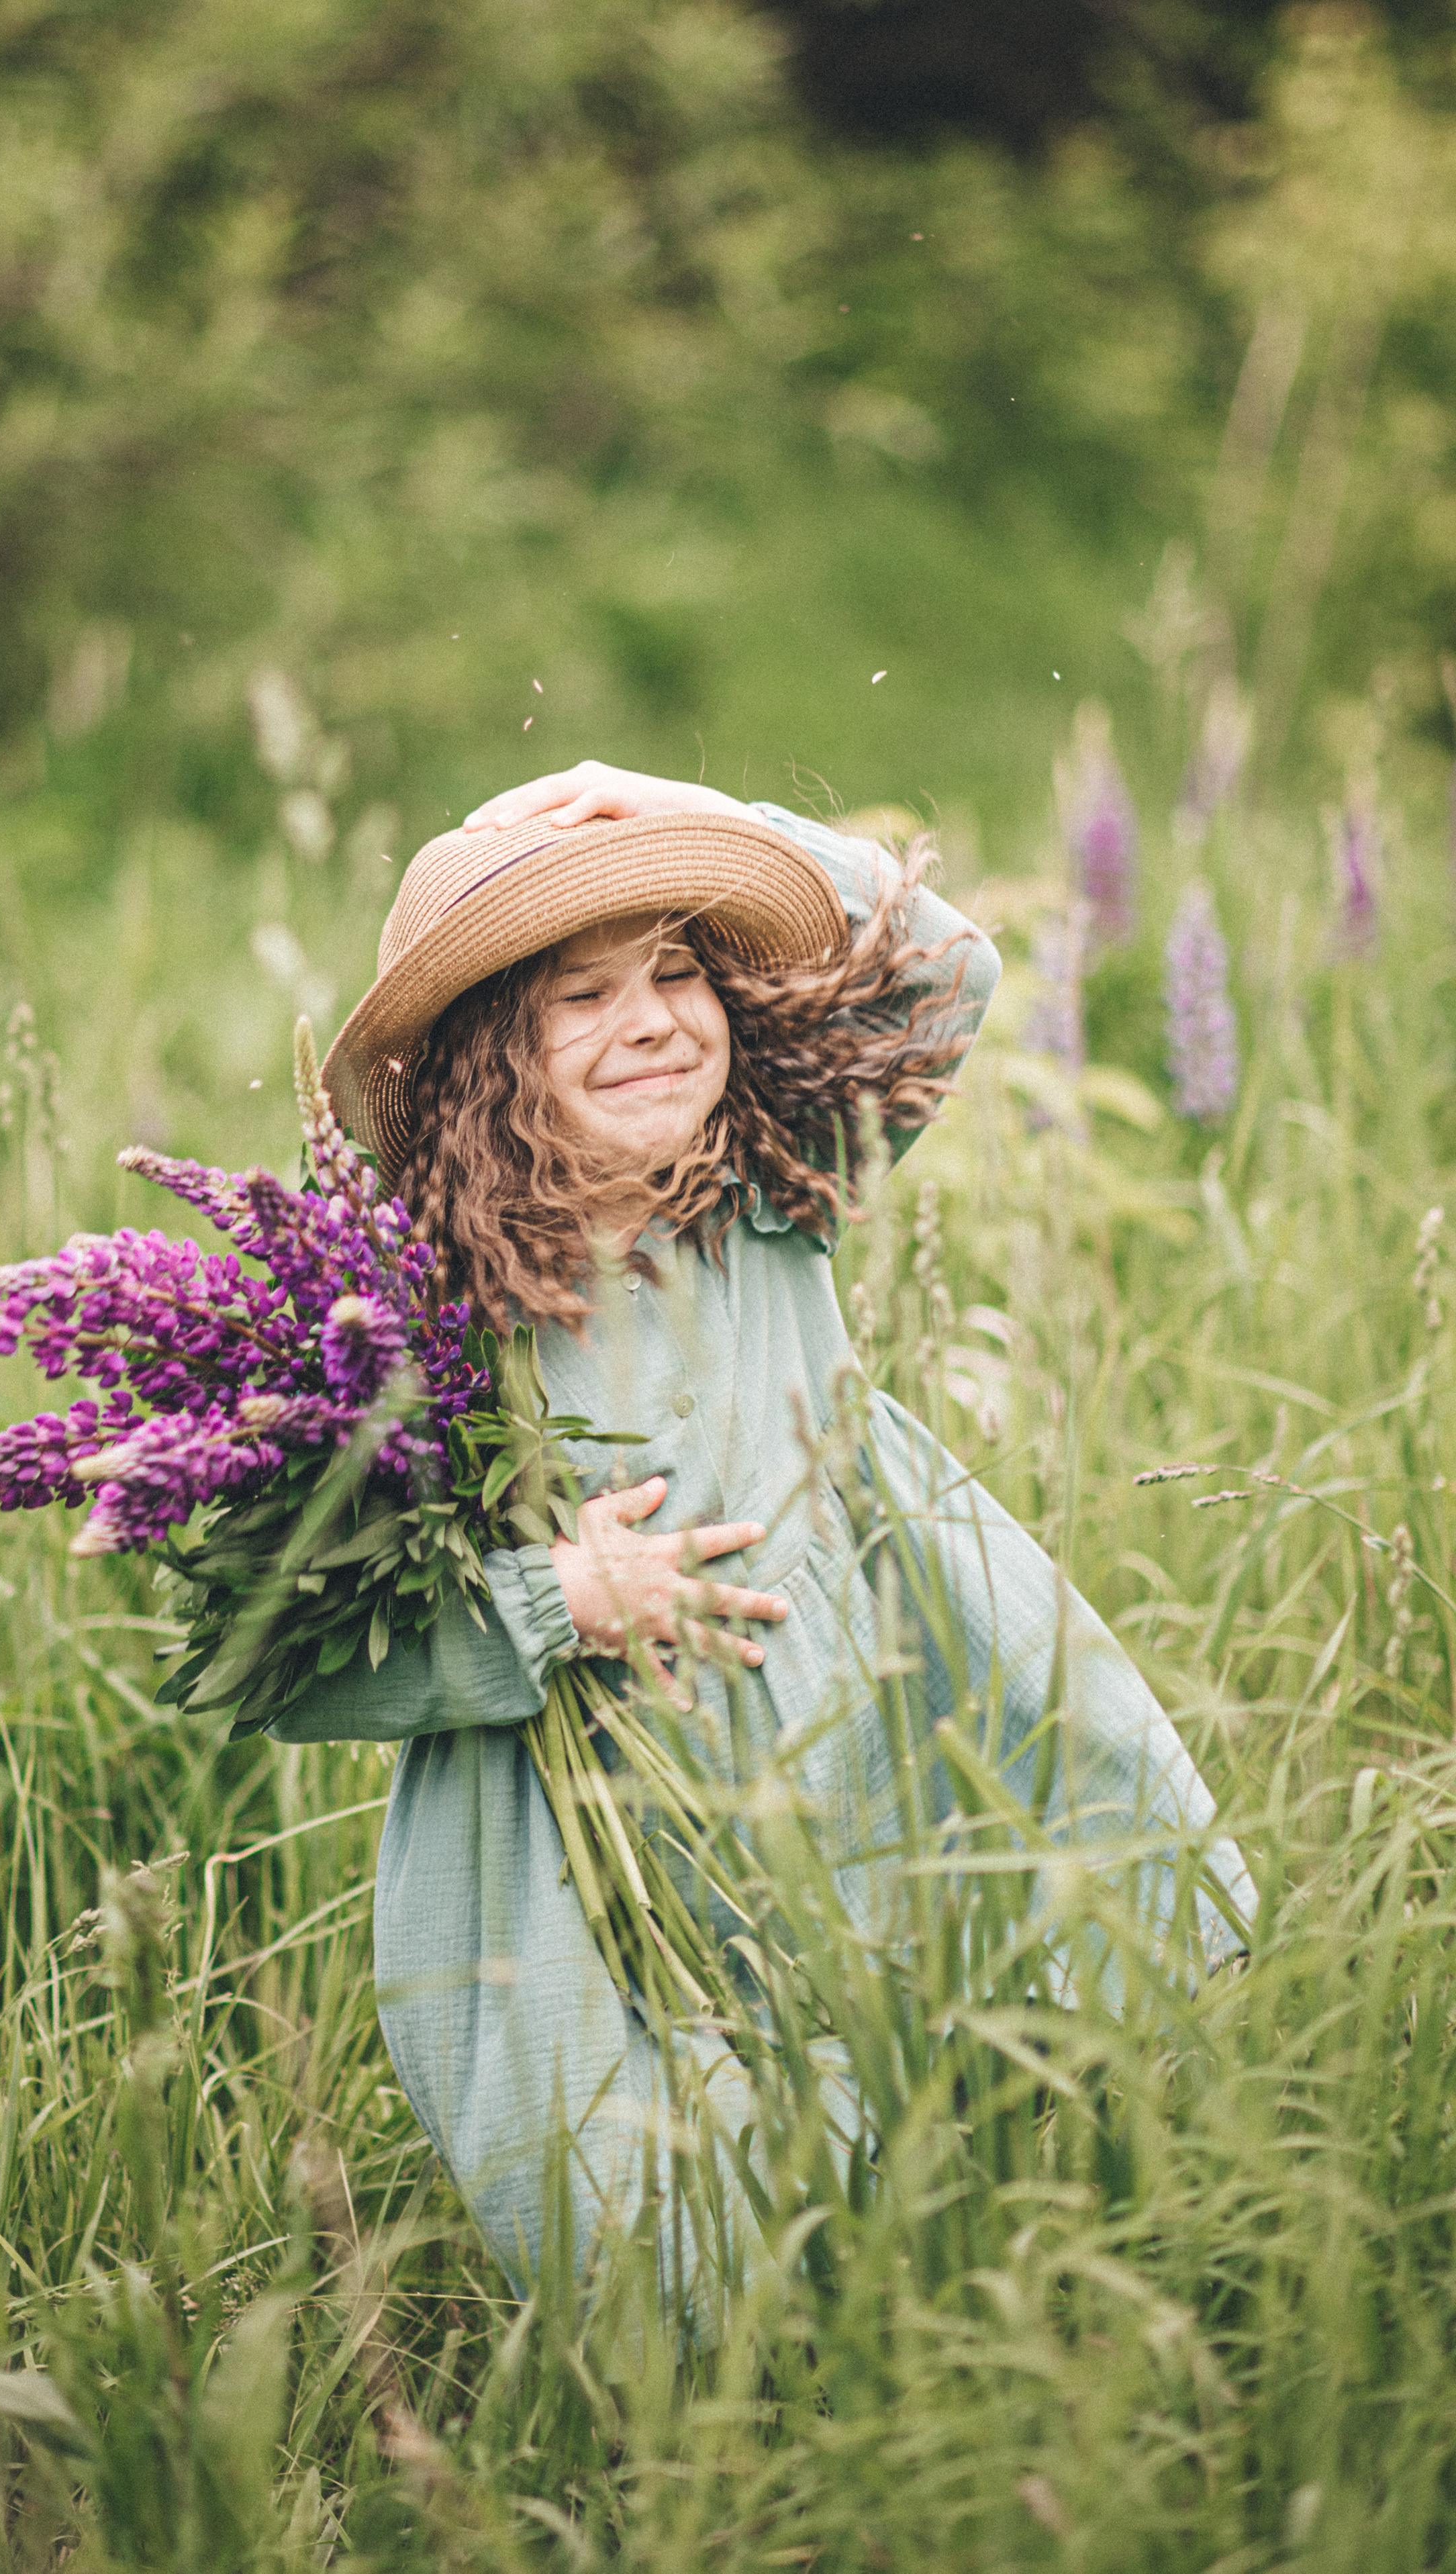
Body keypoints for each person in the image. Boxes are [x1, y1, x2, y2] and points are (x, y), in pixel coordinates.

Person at [269, 761, 1255, 2307]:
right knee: (669, 2231)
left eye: (675, 969)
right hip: (577, 1837)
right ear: (482, 1057)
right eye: (579, 997)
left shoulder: (760, 1192)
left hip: (859, 1741)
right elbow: (294, 1660)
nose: (652, 1018)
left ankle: (949, 2335)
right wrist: (552, 1599)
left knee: (933, 2103)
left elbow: (949, 965)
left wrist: (660, 803)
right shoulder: (405, 1329)